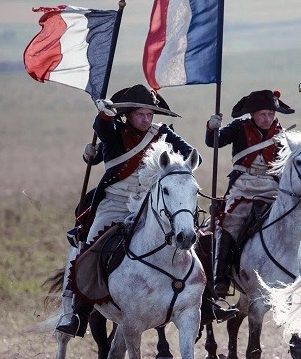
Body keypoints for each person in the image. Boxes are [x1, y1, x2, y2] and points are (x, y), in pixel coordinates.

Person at [56, 84, 236, 336]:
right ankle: (79, 313)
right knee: (92, 249)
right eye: (140, 114)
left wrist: (206, 138)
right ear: (128, 115)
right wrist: (105, 115)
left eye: (150, 114)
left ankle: (207, 303)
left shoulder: (161, 133)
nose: (146, 119)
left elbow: (192, 157)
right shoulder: (115, 134)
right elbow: (102, 128)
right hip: (114, 204)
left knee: (190, 243)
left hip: (149, 205)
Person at [206, 89, 294, 296]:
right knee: (230, 221)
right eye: (262, 114)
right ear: (252, 114)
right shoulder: (239, 127)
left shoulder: (283, 134)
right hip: (243, 187)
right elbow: (214, 142)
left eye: (271, 114)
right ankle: (221, 278)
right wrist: (212, 128)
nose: (267, 118)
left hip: (272, 188)